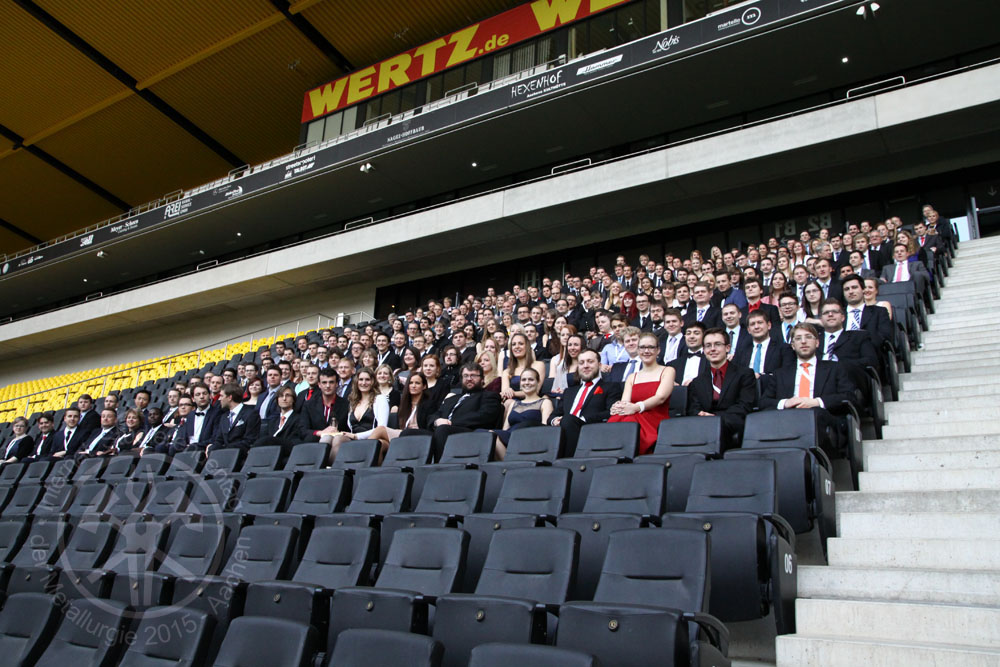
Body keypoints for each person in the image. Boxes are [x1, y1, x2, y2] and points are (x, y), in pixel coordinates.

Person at [760, 323, 856, 415]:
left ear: (817, 343)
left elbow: (849, 396)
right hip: (788, 420)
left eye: (808, 337)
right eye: (798, 338)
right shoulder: (780, 373)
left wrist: (817, 402)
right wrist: (785, 403)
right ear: (793, 345)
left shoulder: (835, 368)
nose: (803, 341)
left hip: (823, 421)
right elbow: (763, 402)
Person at [686, 328, 756, 448]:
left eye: (717, 344)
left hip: (733, 423)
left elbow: (744, 405)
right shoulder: (697, 382)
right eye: (708, 345)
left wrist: (716, 419)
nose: (712, 349)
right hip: (704, 426)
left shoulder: (745, 374)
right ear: (704, 350)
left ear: (727, 348)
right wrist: (700, 414)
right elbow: (693, 408)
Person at [608, 332, 675, 456]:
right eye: (643, 347)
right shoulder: (632, 377)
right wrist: (617, 407)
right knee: (617, 418)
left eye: (651, 347)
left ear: (658, 350)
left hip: (655, 420)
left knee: (627, 421)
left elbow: (661, 397)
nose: (646, 351)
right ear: (638, 350)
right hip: (633, 417)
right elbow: (625, 403)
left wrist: (637, 407)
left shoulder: (668, 370)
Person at [548, 348, 622, 457]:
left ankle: (567, 461)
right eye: (581, 363)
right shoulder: (569, 391)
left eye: (590, 362)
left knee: (568, 420)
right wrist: (555, 421)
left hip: (590, 431)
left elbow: (611, 411)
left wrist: (583, 419)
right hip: (562, 429)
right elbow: (553, 415)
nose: (585, 366)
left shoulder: (610, 387)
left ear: (600, 365)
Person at [427, 363, 504, 461]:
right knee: (409, 433)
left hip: (471, 433)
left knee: (443, 430)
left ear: (482, 379)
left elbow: (485, 416)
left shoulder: (489, 396)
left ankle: (439, 469)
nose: (469, 379)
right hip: (442, 429)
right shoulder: (451, 399)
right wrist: (436, 421)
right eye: (466, 376)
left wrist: (451, 423)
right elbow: (435, 415)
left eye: (473, 375)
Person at [318, 368, 390, 462]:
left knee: (339, 440)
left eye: (367, 379)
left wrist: (356, 436)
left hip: (373, 439)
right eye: (361, 379)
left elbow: (382, 428)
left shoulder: (380, 399)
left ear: (373, 381)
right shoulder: (353, 402)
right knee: (334, 438)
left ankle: (334, 471)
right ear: (356, 381)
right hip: (353, 439)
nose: (363, 383)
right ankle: (329, 470)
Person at [490, 367, 553, 460]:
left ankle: (508, 464)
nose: (527, 382)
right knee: (484, 435)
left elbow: (546, 430)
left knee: (492, 435)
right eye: (523, 380)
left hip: (529, 438)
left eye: (531, 379)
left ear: (538, 382)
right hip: (510, 438)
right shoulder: (513, 404)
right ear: (520, 383)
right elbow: (505, 429)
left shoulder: (545, 402)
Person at [252, 387, 307, 457]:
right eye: (281, 396)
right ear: (277, 400)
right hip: (269, 454)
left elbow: (296, 441)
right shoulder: (272, 421)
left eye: (288, 395)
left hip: (288, 454)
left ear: (293, 399)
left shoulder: (299, 419)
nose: (284, 398)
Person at [208, 383, 261, 455]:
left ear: (230, 397)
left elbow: (249, 440)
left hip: (241, 456)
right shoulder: (224, 417)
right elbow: (219, 440)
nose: (219, 399)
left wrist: (225, 449)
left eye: (221, 396)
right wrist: (212, 448)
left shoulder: (251, 414)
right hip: (224, 456)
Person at [501, 333, 547, 401]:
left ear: (527, 347)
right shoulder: (507, 371)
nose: (517, 346)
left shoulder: (538, 365)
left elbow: (536, 391)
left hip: (533, 401)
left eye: (521, 344)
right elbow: (505, 393)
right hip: (511, 403)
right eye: (514, 344)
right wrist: (508, 393)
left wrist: (513, 393)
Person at [669, 322, 708, 386]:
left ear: (704, 336)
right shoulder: (673, 365)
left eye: (696, 333)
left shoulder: (711, 362)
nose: (691, 336)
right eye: (688, 333)